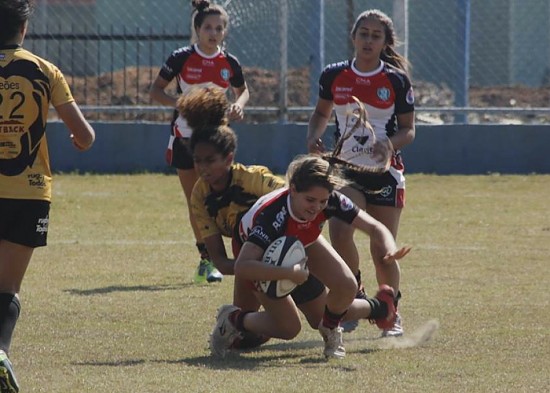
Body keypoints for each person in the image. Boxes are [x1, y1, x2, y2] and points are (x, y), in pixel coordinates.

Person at [209, 155, 411, 359]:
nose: (317, 207)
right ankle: (233, 318)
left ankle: (333, 328)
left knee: (345, 288)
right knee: (288, 328)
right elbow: (242, 266)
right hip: (263, 258)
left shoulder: (331, 201)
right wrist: (288, 273)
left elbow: (375, 227)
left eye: (323, 201)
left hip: (302, 241)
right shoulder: (273, 217)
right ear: (293, 189)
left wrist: (388, 249)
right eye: (310, 200)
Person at [0, 1, 96, 391]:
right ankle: (1, 353)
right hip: (29, 191)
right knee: (7, 288)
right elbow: (86, 136)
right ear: (24, 28)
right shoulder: (45, 69)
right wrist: (78, 139)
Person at [306, 9, 415, 336]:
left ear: (385, 42)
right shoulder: (333, 75)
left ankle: (390, 310)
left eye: (375, 35)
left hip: (384, 174)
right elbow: (320, 114)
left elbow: (409, 130)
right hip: (346, 171)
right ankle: (354, 293)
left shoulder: (396, 80)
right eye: (363, 33)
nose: (368, 40)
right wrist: (313, 136)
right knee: (339, 231)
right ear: (353, 37)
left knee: (383, 251)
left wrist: (389, 146)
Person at [150, 0, 249, 284]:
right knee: (197, 199)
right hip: (185, 137)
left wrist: (238, 105)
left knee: (222, 196)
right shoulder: (181, 57)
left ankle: (238, 252)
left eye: (219, 28)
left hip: (217, 138)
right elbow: (156, 91)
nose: (213, 32)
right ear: (196, 29)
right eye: (208, 27)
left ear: (225, 32)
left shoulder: (229, 63)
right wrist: (183, 103)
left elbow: (243, 91)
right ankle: (206, 261)